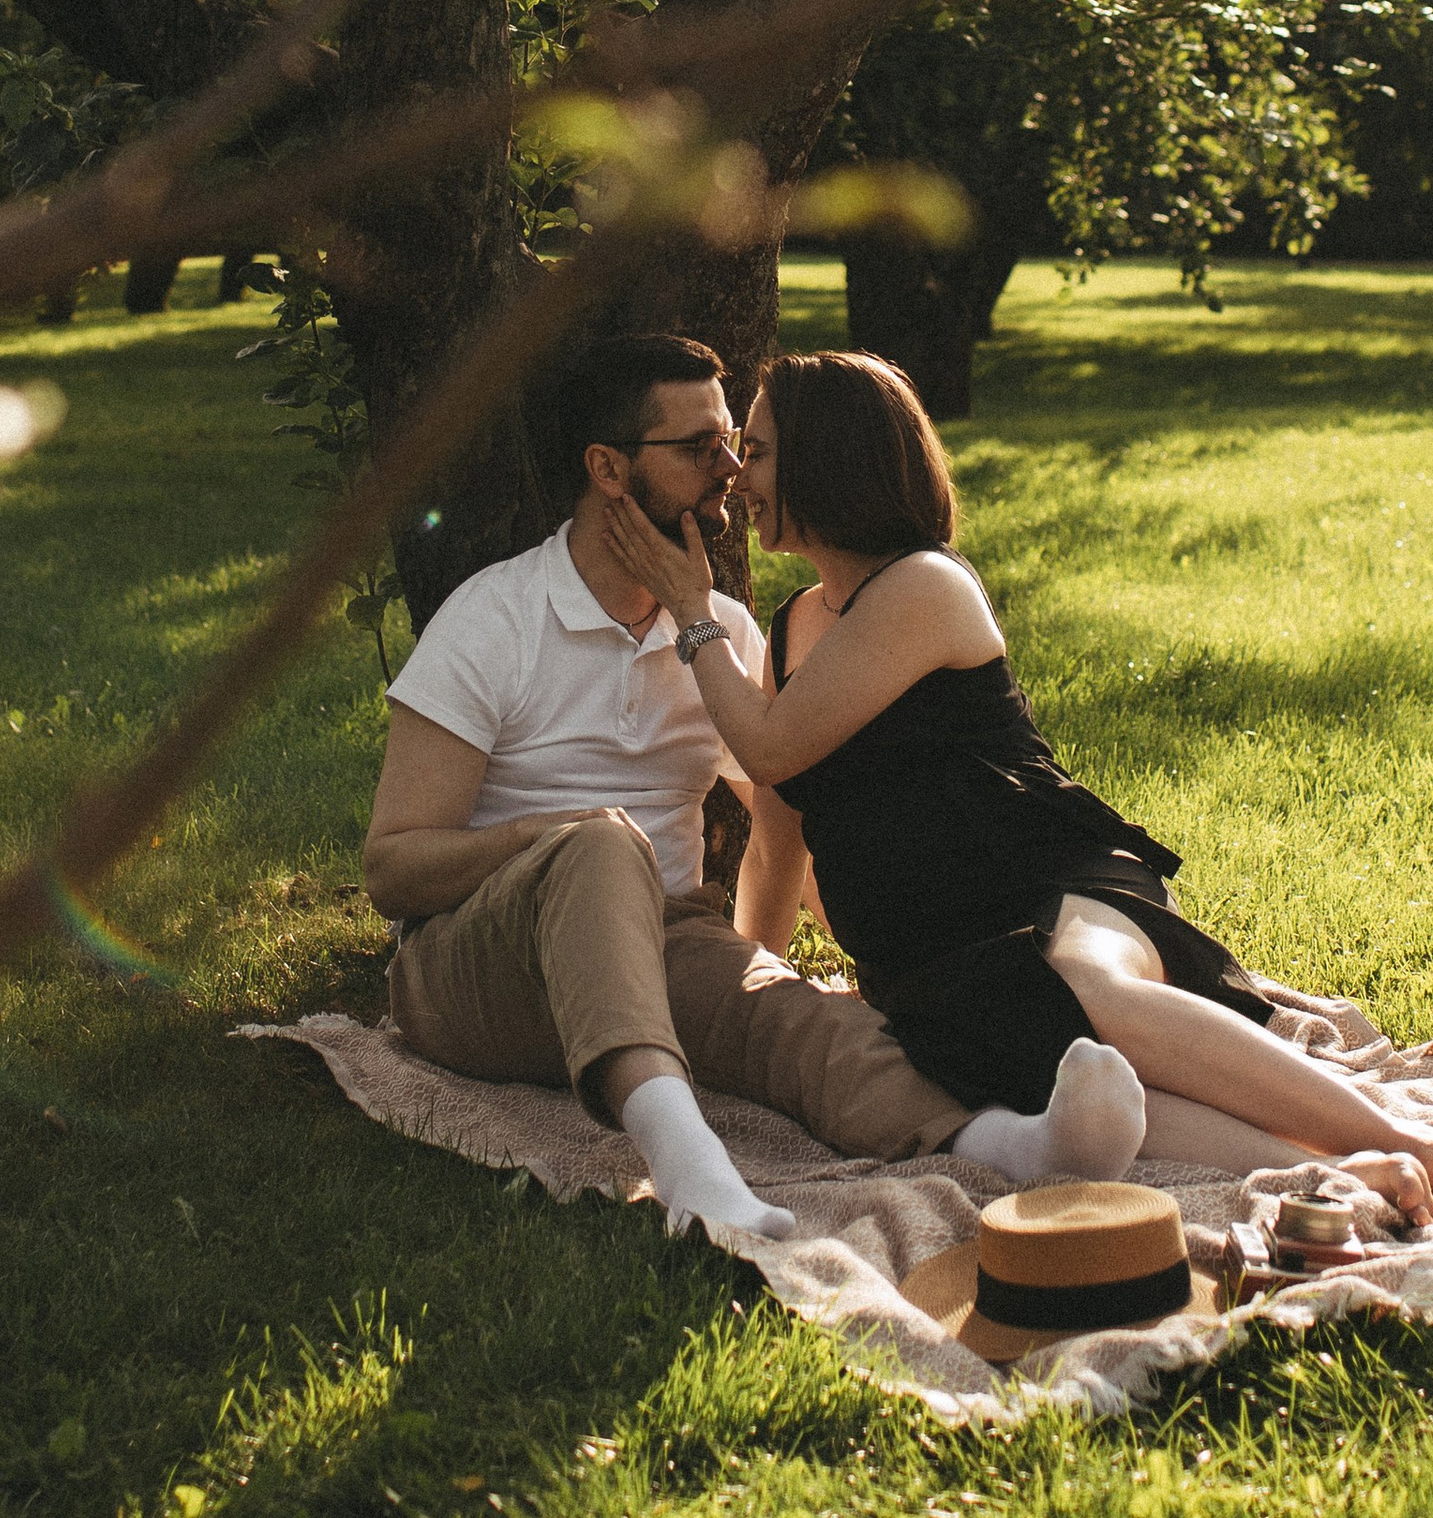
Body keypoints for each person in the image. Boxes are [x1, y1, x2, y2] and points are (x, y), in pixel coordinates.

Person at [596, 347, 1433, 1226]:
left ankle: (1413, 1138)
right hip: (940, 959)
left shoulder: (923, 588)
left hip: (1053, 885)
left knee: (1084, 988)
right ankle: (1349, 1171)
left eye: (754, 451)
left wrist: (689, 607)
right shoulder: (794, 626)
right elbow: (779, 832)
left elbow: (770, 750)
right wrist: (765, 974)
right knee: (1063, 1070)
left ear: (828, 461)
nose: (736, 476)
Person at [361, 333, 1151, 1245]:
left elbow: (783, 835)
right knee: (601, 845)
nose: (731, 469)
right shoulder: (493, 618)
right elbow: (394, 867)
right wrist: (566, 835)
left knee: (804, 1022)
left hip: (660, 938)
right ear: (608, 469)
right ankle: (692, 1174)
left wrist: (768, 974)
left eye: (736, 441)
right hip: (476, 964)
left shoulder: (723, 638)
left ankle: (1017, 1145)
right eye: (700, 448)